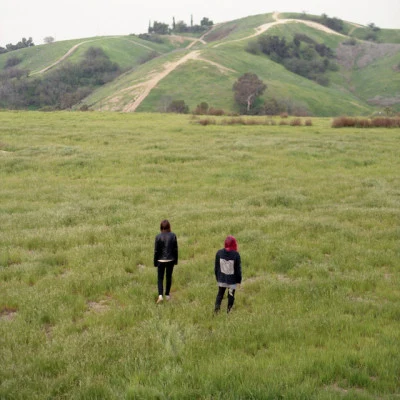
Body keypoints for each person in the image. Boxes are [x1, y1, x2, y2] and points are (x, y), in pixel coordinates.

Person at [214, 235, 242, 313]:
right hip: (232, 281)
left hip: (221, 279)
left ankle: (216, 310)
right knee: (231, 295)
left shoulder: (219, 253)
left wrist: (217, 278)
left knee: (220, 295)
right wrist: (239, 280)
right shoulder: (236, 255)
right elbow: (238, 270)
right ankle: (229, 311)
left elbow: (216, 267)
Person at [154, 219, 178, 304]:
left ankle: (160, 295)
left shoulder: (158, 236)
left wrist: (155, 262)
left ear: (161, 227)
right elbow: (175, 249)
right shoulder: (173, 235)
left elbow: (156, 251)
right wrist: (175, 261)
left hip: (160, 260)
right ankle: (167, 295)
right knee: (168, 277)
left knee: (160, 278)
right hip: (170, 259)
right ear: (169, 227)